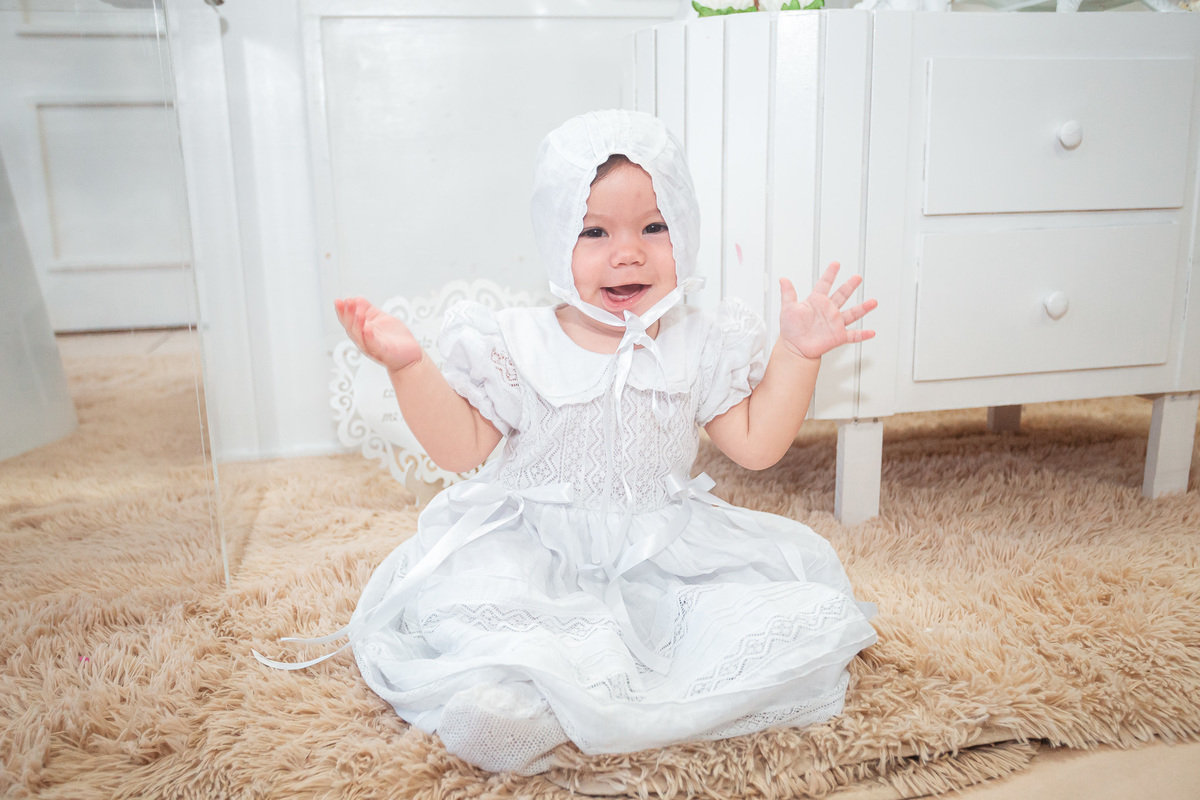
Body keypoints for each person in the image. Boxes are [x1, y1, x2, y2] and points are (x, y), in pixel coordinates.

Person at [255, 109, 879, 775]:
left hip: (661, 553)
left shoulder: (700, 342)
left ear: (686, 233)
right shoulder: (522, 342)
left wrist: (797, 355)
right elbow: (462, 449)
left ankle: (596, 695)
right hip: (539, 549)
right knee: (504, 628)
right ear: (557, 242)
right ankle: (526, 700)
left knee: (773, 619)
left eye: (654, 226)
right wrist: (410, 367)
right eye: (594, 231)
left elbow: (756, 446)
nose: (628, 251)